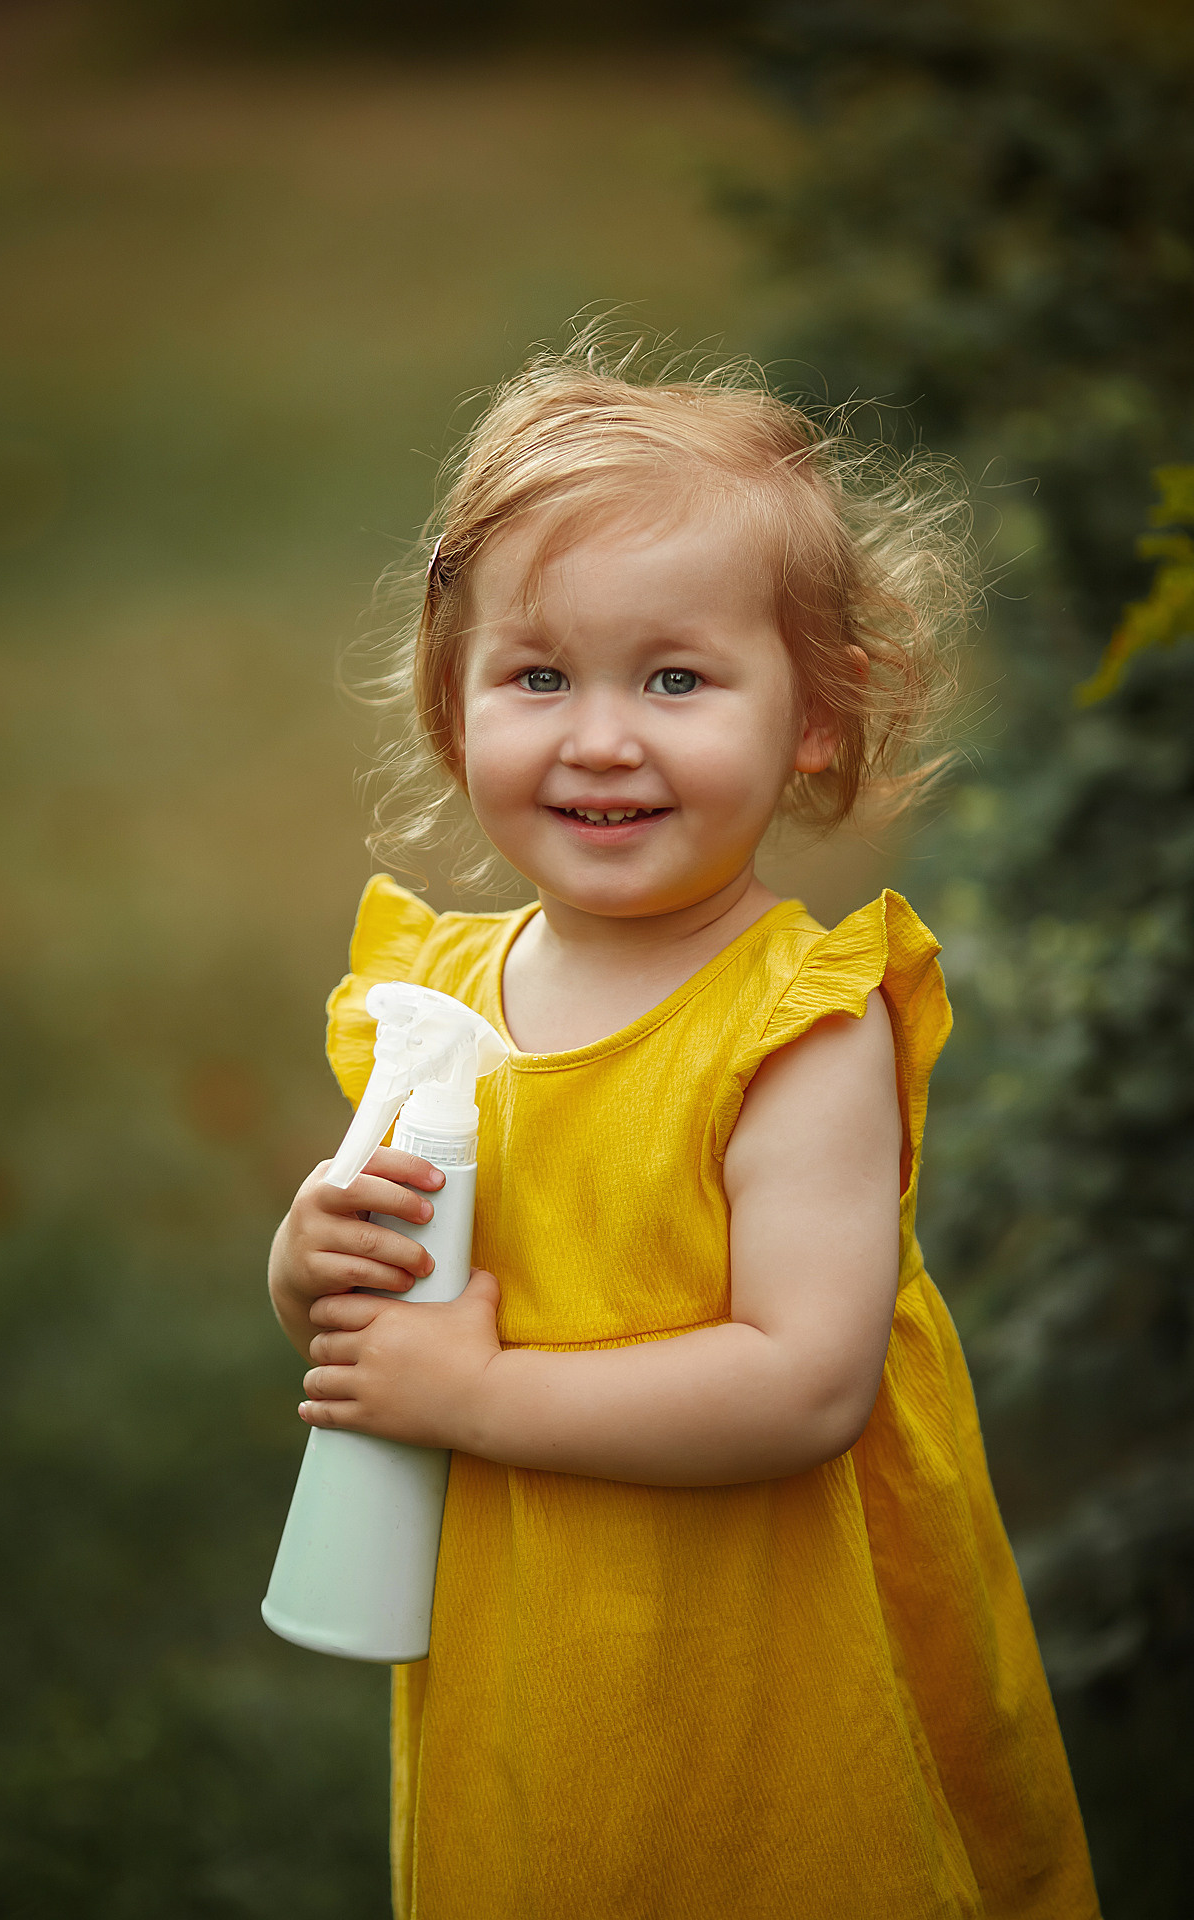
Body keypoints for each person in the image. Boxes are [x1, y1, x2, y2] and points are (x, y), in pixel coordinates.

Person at [267, 346, 1101, 1920]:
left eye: (675, 679)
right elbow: (376, 1305)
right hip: (529, 1637)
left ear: (814, 716)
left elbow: (804, 1383)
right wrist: (310, 1260)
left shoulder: (797, 1026)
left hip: (757, 1647)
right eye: (539, 677)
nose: (599, 738)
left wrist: (488, 1393)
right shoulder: (434, 994)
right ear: (453, 703)